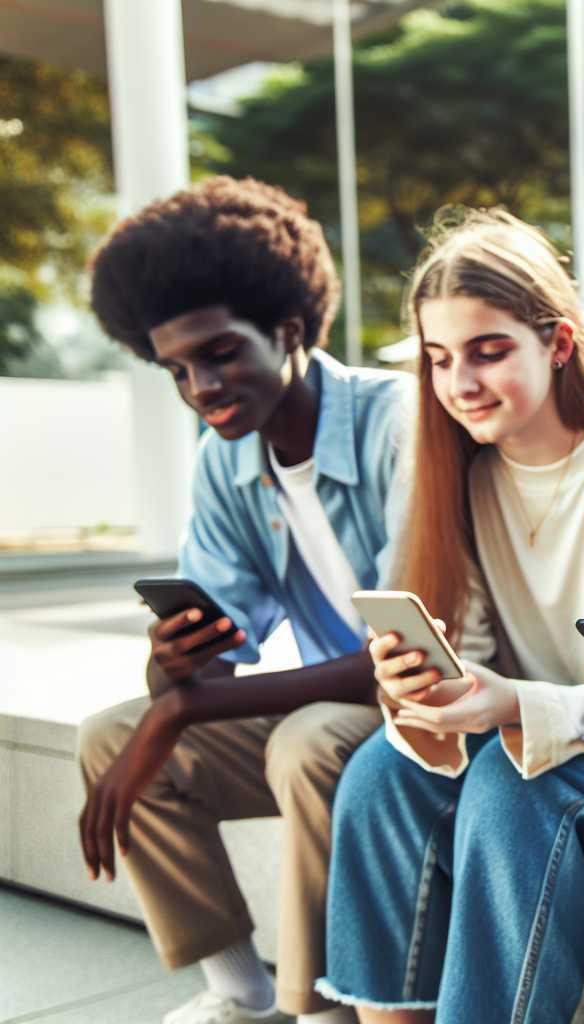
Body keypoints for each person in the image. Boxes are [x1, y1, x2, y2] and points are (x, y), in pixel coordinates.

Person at [314, 211, 584, 1023]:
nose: (460, 382)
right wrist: (426, 682)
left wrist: (512, 706)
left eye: (488, 352)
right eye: (439, 360)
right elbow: (468, 659)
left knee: (509, 781)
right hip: (522, 729)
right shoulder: (458, 477)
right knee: (377, 776)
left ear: (558, 344)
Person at [77, 177, 408, 1024]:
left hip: (437, 707)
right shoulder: (224, 459)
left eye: (220, 353)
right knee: (109, 731)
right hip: (341, 708)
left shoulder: (397, 422)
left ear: (288, 329)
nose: (201, 387)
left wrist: (181, 709)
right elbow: (222, 647)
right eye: (177, 369)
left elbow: (411, 659)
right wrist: (173, 671)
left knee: (309, 741)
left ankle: (328, 1004)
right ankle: (242, 996)